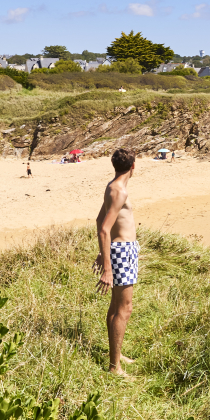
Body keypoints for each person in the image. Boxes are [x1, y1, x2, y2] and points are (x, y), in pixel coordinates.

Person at [94, 149, 139, 376]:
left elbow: (99, 220)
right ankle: (114, 367)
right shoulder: (119, 191)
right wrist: (108, 269)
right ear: (133, 166)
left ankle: (116, 355)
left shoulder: (112, 186)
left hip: (118, 250)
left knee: (115, 308)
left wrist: (104, 253)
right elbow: (104, 228)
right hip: (122, 252)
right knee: (124, 309)